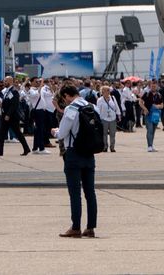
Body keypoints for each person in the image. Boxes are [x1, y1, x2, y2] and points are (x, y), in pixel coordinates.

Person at [53, 84, 98, 238]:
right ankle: (91, 227)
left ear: (66, 95)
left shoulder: (71, 109)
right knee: (90, 192)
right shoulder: (91, 106)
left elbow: (62, 133)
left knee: (75, 193)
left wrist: (55, 131)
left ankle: (76, 227)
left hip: (73, 153)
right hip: (89, 153)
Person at [0, 77, 30, 156]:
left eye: (6, 81)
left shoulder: (14, 91)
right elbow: (7, 102)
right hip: (5, 115)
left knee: (18, 133)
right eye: (4, 81)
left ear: (11, 81)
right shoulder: (7, 91)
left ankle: (26, 148)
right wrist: (1, 105)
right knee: (1, 133)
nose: (4, 82)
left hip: (12, 117)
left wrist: (8, 114)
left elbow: (14, 105)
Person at [139, 82, 163, 152]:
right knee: (150, 130)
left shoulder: (159, 95)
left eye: (155, 86)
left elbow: (162, 105)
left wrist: (158, 106)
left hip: (156, 115)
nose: (153, 88)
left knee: (153, 131)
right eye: (152, 86)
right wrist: (145, 109)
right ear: (150, 87)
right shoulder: (146, 94)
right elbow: (140, 102)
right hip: (148, 114)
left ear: (157, 87)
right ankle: (149, 146)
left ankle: (151, 145)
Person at [96, 86, 120, 153]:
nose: (108, 92)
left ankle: (112, 147)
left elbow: (116, 106)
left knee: (113, 134)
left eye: (109, 90)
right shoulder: (100, 100)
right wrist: (98, 118)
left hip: (112, 118)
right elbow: (98, 109)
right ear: (103, 91)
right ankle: (105, 147)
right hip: (104, 118)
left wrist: (119, 114)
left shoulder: (112, 98)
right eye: (107, 90)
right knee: (104, 134)